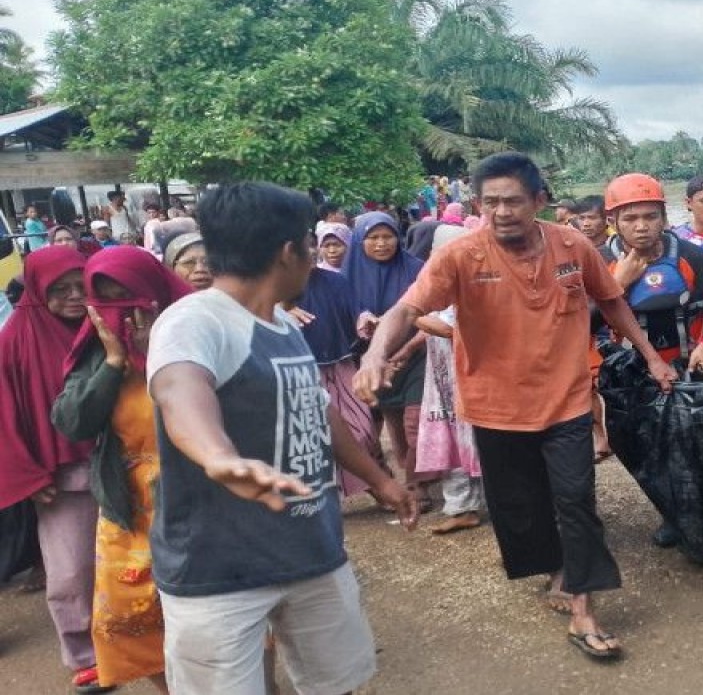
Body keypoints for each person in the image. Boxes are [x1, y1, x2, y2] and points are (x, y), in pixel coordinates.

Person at [355, 151, 677, 661]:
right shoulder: (461, 255)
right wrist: (376, 355)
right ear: (477, 205)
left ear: (539, 201)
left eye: (513, 201)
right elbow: (407, 308)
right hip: (494, 406)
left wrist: (652, 357)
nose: (501, 212)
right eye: (490, 203)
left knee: (576, 499)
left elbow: (611, 299)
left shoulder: (572, 244)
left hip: (566, 399)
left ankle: (583, 608)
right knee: (521, 504)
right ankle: (554, 567)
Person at [146, 181, 416, 693]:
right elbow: (180, 389)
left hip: (311, 549)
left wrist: (380, 480)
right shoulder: (192, 321)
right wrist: (219, 456)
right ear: (290, 251)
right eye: (310, 244)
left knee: (336, 683)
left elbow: (317, 409)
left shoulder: (283, 325)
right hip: (218, 569)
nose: (315, 257)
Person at [53, 247, 192, 693]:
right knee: (136, 615)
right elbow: (72, 421)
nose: (124, 313)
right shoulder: (95, 352)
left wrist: (156, 351)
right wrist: (113, 363)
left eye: (130, 297)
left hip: (197, 496)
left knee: (215, 605)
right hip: (128, 505)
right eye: (108, 300)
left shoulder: (193, 334)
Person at [0, 247, 104, 692]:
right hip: (60, 476)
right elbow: (3, 412)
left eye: (82, 286)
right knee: (70, 570)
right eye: (61, 289)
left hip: (122, 461)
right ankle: (85, 653)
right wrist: (26, 476)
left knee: (135, 558)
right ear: (38, 289)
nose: (75, 296)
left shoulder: (103, 324)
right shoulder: (14, 337)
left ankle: (142, 638)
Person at [598, 173, 703, 547]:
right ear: (612, 221)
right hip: (631, 375)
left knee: (694, 444)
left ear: (664, 218)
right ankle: (671, 512)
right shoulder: (599, 262)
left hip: (687, 369)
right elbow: (583, 320)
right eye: (630, 218)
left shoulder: (691, 257)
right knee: (645, 448)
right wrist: (618, 283)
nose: (642, 226)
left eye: (650, 216)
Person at [343, 213, 430, 505]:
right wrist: (360, 319)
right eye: (373, 238)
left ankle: (418, 483)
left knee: (416, 421)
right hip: (368, 358)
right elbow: (338, 312)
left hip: (415, 353)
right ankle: (398, 476)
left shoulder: (417, 269)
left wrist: (409, 338)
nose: (382, 244)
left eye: (388, 236)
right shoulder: (344, 277)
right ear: (359, 241)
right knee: (390, 421)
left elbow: (430, 307)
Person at [289, 235, 379, 498]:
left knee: (362, 429)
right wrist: (280, 311)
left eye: (310, 245)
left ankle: (372, 482)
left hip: (340, 363)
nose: (309, 252)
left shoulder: (335, 280)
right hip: (302, 371)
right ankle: (330, 493)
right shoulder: (276, 287)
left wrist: (365, 319)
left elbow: (356, 308)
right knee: (315, 434)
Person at [411, 227, 484, 535]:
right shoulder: (430, 286)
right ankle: (461, 508)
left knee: (484, 441)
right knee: (450, 438)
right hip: (443, 380)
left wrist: (414, 314)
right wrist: (403, 350)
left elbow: (452, 330)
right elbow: (428, 325)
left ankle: (508, 505)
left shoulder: (478, 284)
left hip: (476, 379)